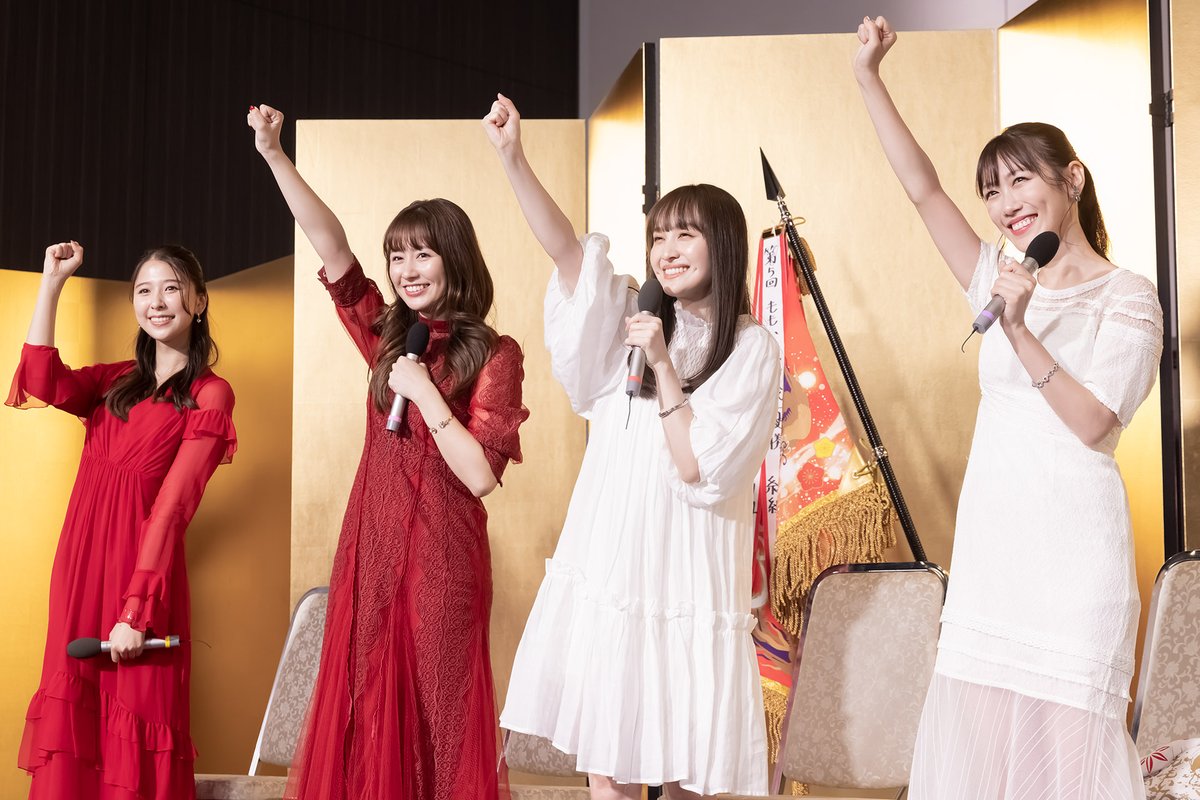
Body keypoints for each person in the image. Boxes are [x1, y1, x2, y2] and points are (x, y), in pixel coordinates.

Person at [854, 16, 1162, 799]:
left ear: (1072, 179)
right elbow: (923, 189)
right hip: (996, 560)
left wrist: (1019, 328)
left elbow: (1095, 423)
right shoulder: (995, 273)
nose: (1004, 203)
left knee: (1064, 771)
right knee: (979, 764)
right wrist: (869, 77)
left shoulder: (1128, 297)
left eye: (1020, 181)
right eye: (992, 190)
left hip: (1076, 565)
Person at [484, 93, 779, 799]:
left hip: (685, 567)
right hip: (615, 551)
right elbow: (566, 252)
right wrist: (513, 157)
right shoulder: (632, 316)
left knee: (681, 761)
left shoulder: (750, 348)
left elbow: (698, 466)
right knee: (607, 757)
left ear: (722, 244)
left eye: (686, 235)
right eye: (658, 237)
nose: (666, 251)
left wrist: (665, 365)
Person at [247, 104, 528, 800]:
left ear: (455, 258)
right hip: (369, 558)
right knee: (364, 722)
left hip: (443, 565)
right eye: (397, 255)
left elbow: (481, 476)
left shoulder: (494, 354)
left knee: (438, 727)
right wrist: (275, 154)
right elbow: (332, 248)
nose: (406, 269)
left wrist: (427, 396)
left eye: (422, 253)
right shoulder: (387, 337)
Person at [9, 242, 236, 799]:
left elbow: (173, 508)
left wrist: (136, 611)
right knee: (75, 737)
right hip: (80, 572)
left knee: (136, 734)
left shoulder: (210, 395)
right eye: (144, 290)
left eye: (171, 288)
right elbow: (39, 379)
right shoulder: (113, 381)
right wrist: (52, 283)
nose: (156, 302)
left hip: (142, 584)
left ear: (200, 300)